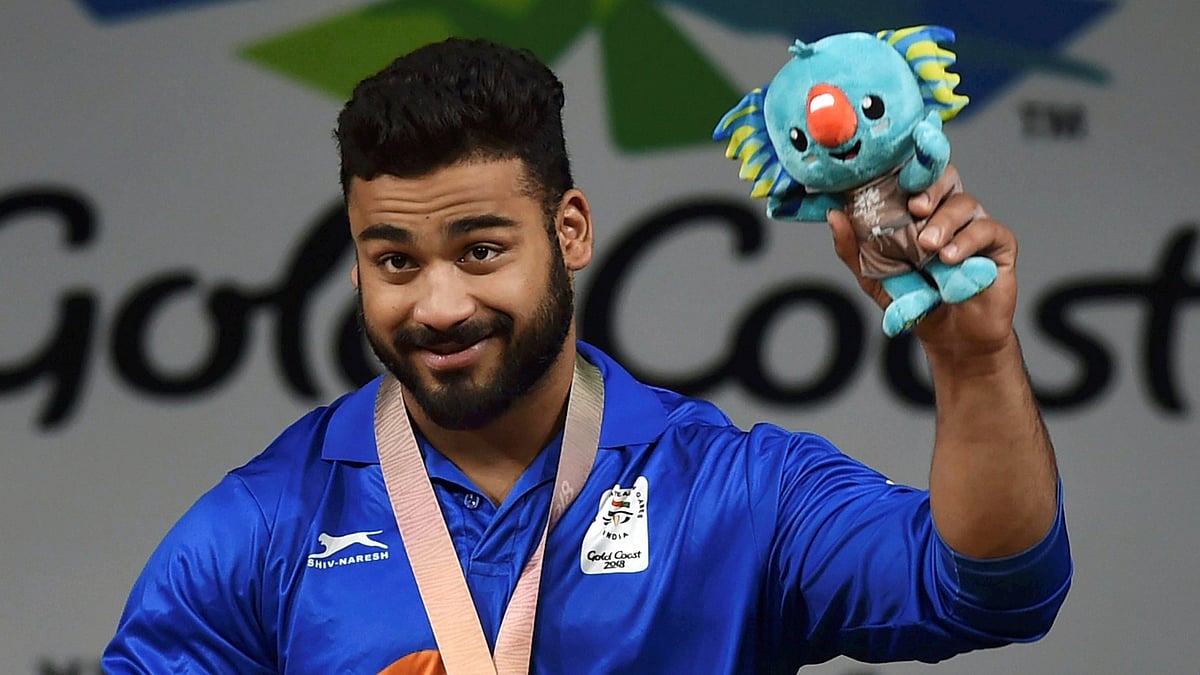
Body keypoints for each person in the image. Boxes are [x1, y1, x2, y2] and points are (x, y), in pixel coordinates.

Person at [102, 37, 1071, 674]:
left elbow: (994, 589)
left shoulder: (730, 494)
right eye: (395, 261)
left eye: (481, 251)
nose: (439, 306)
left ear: (569, 231)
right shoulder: (265, 524)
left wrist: (975, 362)